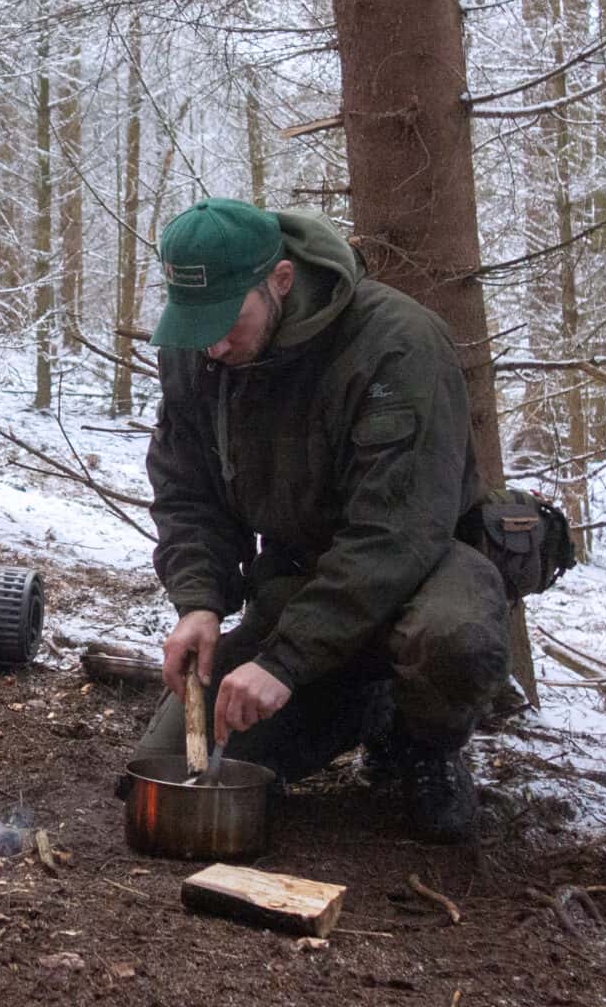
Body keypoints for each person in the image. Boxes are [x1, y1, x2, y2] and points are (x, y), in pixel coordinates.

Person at [133, 197, 510, 843]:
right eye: (197, 325)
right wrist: (199, 600)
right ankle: (353, 702)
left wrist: (283, 660)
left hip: (416, 576)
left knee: (453, 638)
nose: (215, 343)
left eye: (228, 320)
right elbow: (186, 491)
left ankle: (421, 744)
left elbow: (392, 537)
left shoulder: (398, 345)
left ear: (280, 280)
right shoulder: (199, 350)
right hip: (301, 588)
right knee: (173, 757)